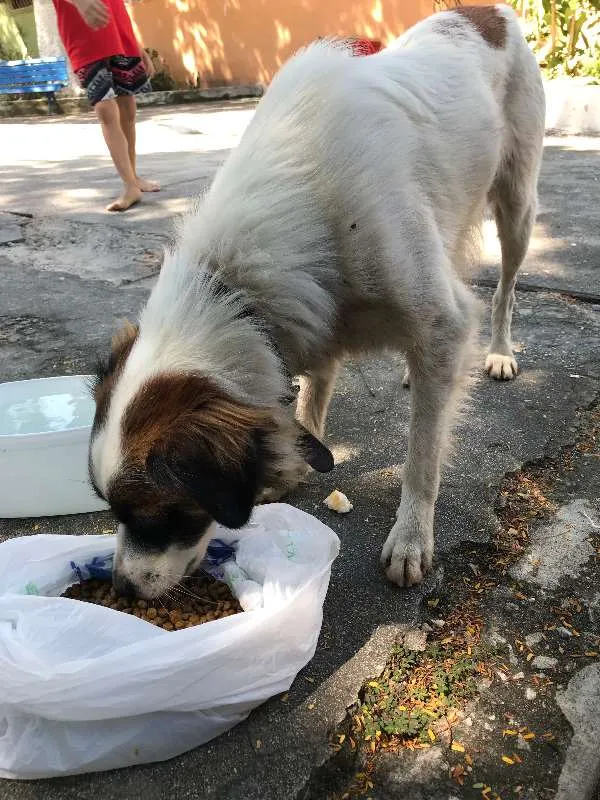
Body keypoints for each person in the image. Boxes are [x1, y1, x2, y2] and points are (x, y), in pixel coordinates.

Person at [52, 0, 160, 211]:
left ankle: (134, 177)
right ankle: (129, 186)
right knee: (106, 108)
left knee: (128, 109)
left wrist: (135, 44)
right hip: (82, 35)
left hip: (119, 35)